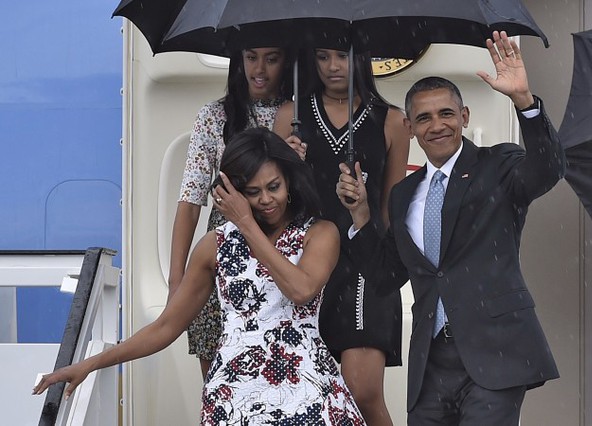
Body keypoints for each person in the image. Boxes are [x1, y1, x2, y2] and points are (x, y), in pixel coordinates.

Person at [34, 128, 366, 425]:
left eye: (274, 187)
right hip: (234, 398)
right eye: (252, 191)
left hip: (306, 394)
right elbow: (166, 327)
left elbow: (301, 289)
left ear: (289, 182)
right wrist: (90, 363)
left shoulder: (320, 233)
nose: (266, 200)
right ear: (233, 191)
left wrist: (246, 225)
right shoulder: (214, 246)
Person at [336, 31, 565, 425]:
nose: (436, 125)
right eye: (423, 118)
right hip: (431, 363)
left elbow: (547, 169)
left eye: (446, 114)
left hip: (495, 352)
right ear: (409, 127)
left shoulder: (498, 165)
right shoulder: (403, 194)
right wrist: (360, 216)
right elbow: (386, 275)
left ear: (465, 117)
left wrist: (524, 102)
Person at [273, 39, 410, 426]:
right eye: (322, 56)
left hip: (365, 261)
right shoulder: (289, 117)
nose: (333, 66)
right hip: (306, 259)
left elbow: (391, 207)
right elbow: (271, 201)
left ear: (363, 57)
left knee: (361, 389)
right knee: (307, 392)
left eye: (343, 55)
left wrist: (389, 263)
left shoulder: (392, 120)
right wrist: (286, 164)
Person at [169, 41, 293, 379]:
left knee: (279, 372)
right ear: (238, 62)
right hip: (222, 248)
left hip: (281, 243)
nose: (260, 69)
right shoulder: (214, 115)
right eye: (251, 57)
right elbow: (191, 198)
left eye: (272, 58)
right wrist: (176, 277)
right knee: (218, 377)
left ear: (287, 62)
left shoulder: (300, 114)